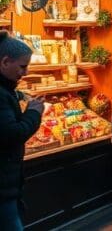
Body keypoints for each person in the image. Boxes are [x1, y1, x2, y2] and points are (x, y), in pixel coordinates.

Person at [0, 31, 43, 231]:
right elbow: (12, 134)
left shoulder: (6, 90)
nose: (25, 73)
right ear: (5, 62)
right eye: (22, 67)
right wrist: (33, 113)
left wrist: (17, 94)